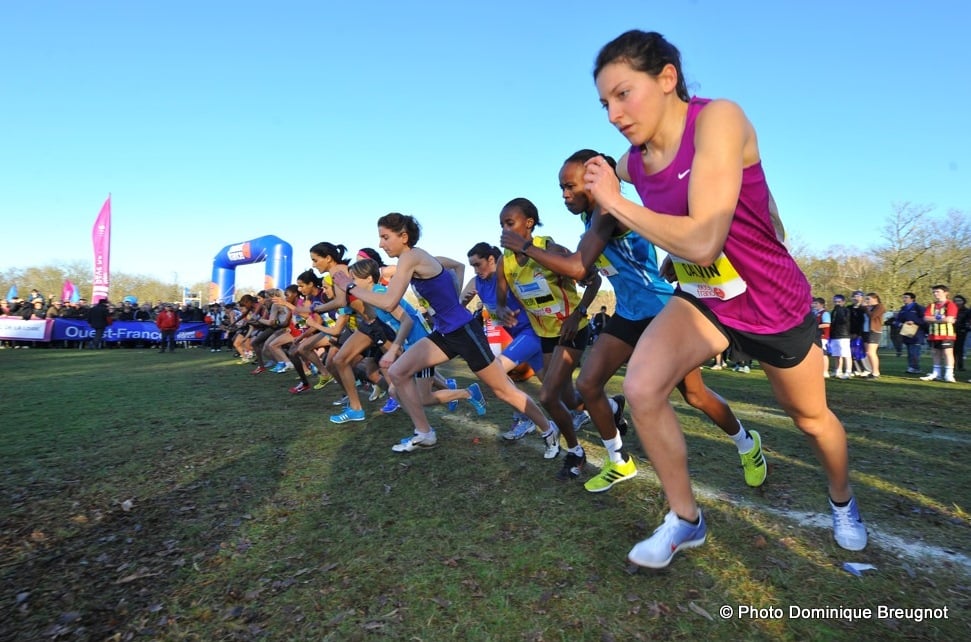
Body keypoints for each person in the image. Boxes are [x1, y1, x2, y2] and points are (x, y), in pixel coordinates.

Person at [583, 30, 866, 567]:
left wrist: (615, 203)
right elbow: (607, 173)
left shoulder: (718, 119)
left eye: (623, 94)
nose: (614, 114)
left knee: (809, 418)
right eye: (604, 103)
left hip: (769, 300)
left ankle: (843, 501)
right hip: (706, 297)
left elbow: (703, 238)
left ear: (667, 77)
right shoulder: (634, 160)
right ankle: (685, 519)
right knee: (642, 388)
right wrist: (591, 178)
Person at [502, 149, 766, 493]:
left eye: (570, 187)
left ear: (595, 182)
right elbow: (592, 268)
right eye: (561, 189)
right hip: (628, 311)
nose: (565, 196)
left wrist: (527, 249)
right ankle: (618, 460)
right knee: (589, 383)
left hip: (660, 310)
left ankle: (748, 444)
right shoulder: (591, 217)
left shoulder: (610, 211)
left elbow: (580, 267)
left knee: (695, 395)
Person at [331, 213, 551, 453]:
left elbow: (389, 302)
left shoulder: (411, 257)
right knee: (397, 371)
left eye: (385, 237)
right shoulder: (415, 258)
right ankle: (424, 433)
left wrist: (350, 286)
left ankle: (548, 428)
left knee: (503, 390)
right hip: (444, 332)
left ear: (403, 237)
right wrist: (453, 298)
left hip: (464, 331)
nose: (381, 244)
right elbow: (456, 266)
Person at [495, 197, 602, 476]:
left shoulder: (550, 249)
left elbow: (594, 279)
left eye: (510, 223)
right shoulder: (504, 262)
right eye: (501, 225)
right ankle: (612, 405)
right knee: (566, 397)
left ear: (528, 223)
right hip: (545, 335)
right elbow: (500, 299)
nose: (504, 230)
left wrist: (578, 313)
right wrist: (504, 311)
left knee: (547, 394)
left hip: (572, 331)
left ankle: (575, 452)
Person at [460, 242, 546, 439]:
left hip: (531, 332)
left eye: (478, 264)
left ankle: (524, 418)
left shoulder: (508, 275)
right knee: (552, 386)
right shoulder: (476, 282)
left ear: (491, 260)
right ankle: (602, 407)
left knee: (495, 371)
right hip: (517, 336)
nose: (475, 269)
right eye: (472, 265)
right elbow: (459, 304)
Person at [920, 285, 958, 383]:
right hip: (934, 333)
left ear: (945, 293)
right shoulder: (931, 305)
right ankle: (937, 373)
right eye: (934, 292)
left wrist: (934, 319)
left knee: (947, 353)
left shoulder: (950, 304)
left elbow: (949, 319)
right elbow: (926, 318)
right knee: (935, 353)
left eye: (937, 291)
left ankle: (949, 374)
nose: (935, 294)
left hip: (947, 334)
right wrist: (941, 319)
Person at [896, 292, 925, 373]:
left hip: (917, 334)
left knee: (915, 351)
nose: (904, 299)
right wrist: (901, 324)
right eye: (903, 297)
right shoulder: (902, 309)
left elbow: (924, 320)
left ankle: (916, 368)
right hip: (906, 333)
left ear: (912, 299)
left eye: (906, 297)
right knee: (909, 352)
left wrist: (914, 322)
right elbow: (897, 321)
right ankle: (911, 367)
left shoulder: (919, 308)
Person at [863, 293, 886, 378]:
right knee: (867, 353)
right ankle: (871, 370)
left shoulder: (880, 306)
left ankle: (876, 372)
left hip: (874, 331)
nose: (867, 301)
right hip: (866, 331)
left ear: (875, 298)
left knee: (871, 352)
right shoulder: (868, 308)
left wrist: (865, 308)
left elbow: (872, 316)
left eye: (868, 299)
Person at [953, 294, 969, 371]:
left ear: (963, 301)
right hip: (952, 330)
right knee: (952, 348)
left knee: (960, 349)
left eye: (959, 300)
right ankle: (952, 365)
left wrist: (966, 328)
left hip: (962, 331)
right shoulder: (952, 309)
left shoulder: (967, 311)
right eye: (956, 301)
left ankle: (960, 365)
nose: (957, 302)